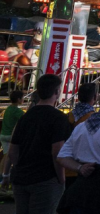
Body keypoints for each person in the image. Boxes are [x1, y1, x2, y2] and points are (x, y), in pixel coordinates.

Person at [1, 74, 72, 214]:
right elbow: (56, 153)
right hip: (46, 179)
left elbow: (13, 151)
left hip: (21, 178)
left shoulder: (25, 117)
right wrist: (61, 178)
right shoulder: (58, 118)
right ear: (57, 92)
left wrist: (20, 168)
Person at [1, 89, 25, 159]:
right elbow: (27, 118)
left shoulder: (8, 109)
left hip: (3, 135)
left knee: (6, 156)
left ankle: (2, 170)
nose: (23, 99)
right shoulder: (17, 111)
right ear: (18, 99)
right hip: (11, 136)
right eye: (22, 97)